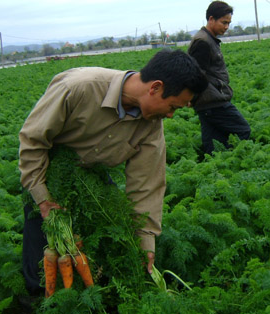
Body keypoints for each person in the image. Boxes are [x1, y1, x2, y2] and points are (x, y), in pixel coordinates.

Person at [18, 49, 208, 296]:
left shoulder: (151, 125)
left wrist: (144, 242)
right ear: (155, 87)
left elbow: (147, 183)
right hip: (46, 173)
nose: (171, 115)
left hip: (93, 181)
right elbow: (33, 141)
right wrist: (43, 199)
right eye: (172, 106)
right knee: (41, 260)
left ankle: (96, 296)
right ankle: (40, 300)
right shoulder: (78, 88)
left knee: (110, 244)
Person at [188, 1, 251, 155]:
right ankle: (233, 161)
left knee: (213, 148)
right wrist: (190, 96)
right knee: (243, 130)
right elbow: (196, 74)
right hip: (213, 101)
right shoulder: (203, 42)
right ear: (211, 19)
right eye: (224, 22)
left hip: (208, 103)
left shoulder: (208, 39)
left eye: (229, 23)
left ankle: (218, 170)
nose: (226, 27)